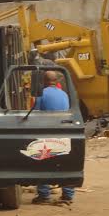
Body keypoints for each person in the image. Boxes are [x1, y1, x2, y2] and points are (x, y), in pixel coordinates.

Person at [31, 71, 75, 205]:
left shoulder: (41, 95)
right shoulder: (64, 95)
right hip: (64, 132)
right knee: (65, 163)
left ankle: (44, 195)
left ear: (43, 81)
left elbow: (35, 116)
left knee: (42, 162)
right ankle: (68, 195)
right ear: (57, 81)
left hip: (47, 133)